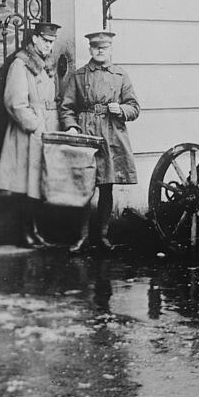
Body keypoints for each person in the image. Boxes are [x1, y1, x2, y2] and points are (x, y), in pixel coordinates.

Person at [60, 30, 140, 252]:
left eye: (104, 48)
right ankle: (82, 237)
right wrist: (72, 127)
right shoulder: (79, 76)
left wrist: (121, 109)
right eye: (96, 48)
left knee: (106, 186)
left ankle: (103, 236)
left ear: (111, 49)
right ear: (90, 50)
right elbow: (66, 108)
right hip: (87, 135)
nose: (100, 51)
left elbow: (135, 108)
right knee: (84, 186)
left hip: (111, 135)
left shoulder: (120, 76)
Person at [0, 22, 61, 247]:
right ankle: (25, 232)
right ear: (34, 39)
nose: (48, 46)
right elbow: (14, 102)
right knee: (25, 185)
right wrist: (34, 125)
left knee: (39, 183)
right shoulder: (21, 64)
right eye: (45, 40)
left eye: (52, 42)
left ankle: (35, 230)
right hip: (28, 133)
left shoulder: (47, 65)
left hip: (46, 130)